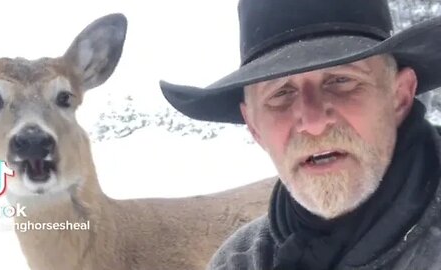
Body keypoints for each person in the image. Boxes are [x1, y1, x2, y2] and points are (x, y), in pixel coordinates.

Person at [159, 0, 441, 269]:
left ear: (400, 97)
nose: (314, 122)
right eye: (281, 93)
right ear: (254, 127)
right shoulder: (238, 262)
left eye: (341, 80)